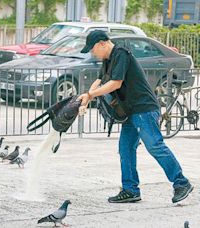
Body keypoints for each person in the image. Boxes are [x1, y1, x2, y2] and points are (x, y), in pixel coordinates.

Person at [77, 30, 193, 203]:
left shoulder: (121, 54)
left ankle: (181, 183)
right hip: (131, 111)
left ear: (102, 43)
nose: (92, 53)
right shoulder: (108, 60)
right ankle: (131, 190)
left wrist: (91, 95)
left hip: (143, 108)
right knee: (125, 149)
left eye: (92, 49)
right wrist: (87, 95)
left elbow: (115, 83)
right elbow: (100, 81)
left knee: (155, 146)